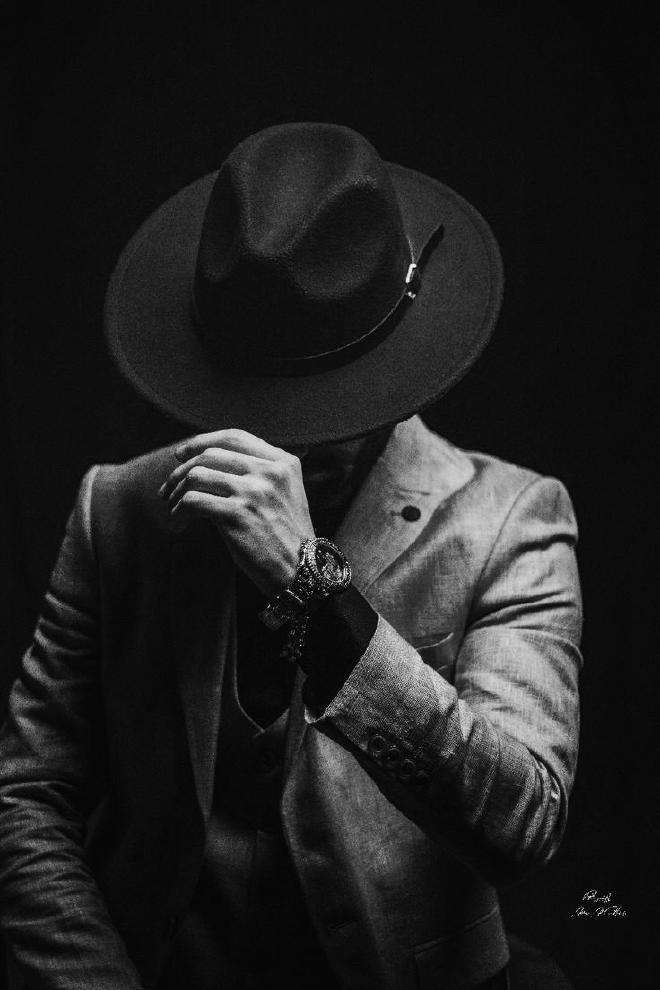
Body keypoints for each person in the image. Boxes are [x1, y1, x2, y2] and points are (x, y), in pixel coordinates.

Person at [0, 122, 582, 990]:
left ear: (395, 365)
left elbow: (522, 822)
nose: (299, 441)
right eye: (271, 403)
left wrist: (315, 592)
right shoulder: (117, 508)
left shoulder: (510, 517)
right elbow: (26, 797)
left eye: (332, 405)